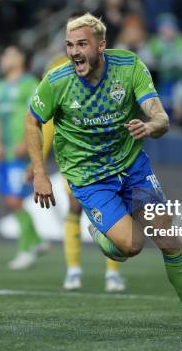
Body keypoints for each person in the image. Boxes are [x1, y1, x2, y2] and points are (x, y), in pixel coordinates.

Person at [24, 13, 182, 333]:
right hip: (88, 176)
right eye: (69, 45)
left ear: (101, 45)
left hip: (131, 166)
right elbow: (32, 121)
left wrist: (151, 125)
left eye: (81, 44)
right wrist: (40, 173)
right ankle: (101, 234)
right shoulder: (57, 81)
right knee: (130, 246)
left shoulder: (128, 67)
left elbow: (160, 117)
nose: (73, 52)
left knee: (167, 236)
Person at [40, 120, 126, 292]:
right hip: (75, 157)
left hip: (105, 156)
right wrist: (39, 161)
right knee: (75, 205)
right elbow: (47, 123)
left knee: (109, 209)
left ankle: (111, 272)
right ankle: (74, 270)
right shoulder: (61, 93)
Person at [0, 45, 47, 270]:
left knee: (14, 200)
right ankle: (39, 241)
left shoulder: (30, 84)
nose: (3, 57)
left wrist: (28, 142)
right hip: (5, 152)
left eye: (9, 54)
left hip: (21, 151)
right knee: (9, 201)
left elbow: (36, 116)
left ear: (21, 60)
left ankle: (26, 250)